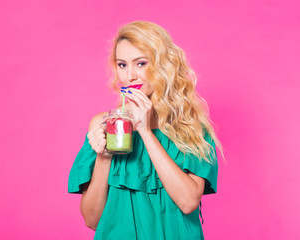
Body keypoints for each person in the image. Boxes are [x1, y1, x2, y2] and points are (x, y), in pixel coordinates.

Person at [68, 21, 223, 240]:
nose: (130, 75)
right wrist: (103, 158)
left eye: (140, 63)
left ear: (163, 65)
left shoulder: (191, 128)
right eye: (122, 65)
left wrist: (146, 132)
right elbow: (92, 220)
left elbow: (188, 202)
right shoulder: (104, 125)